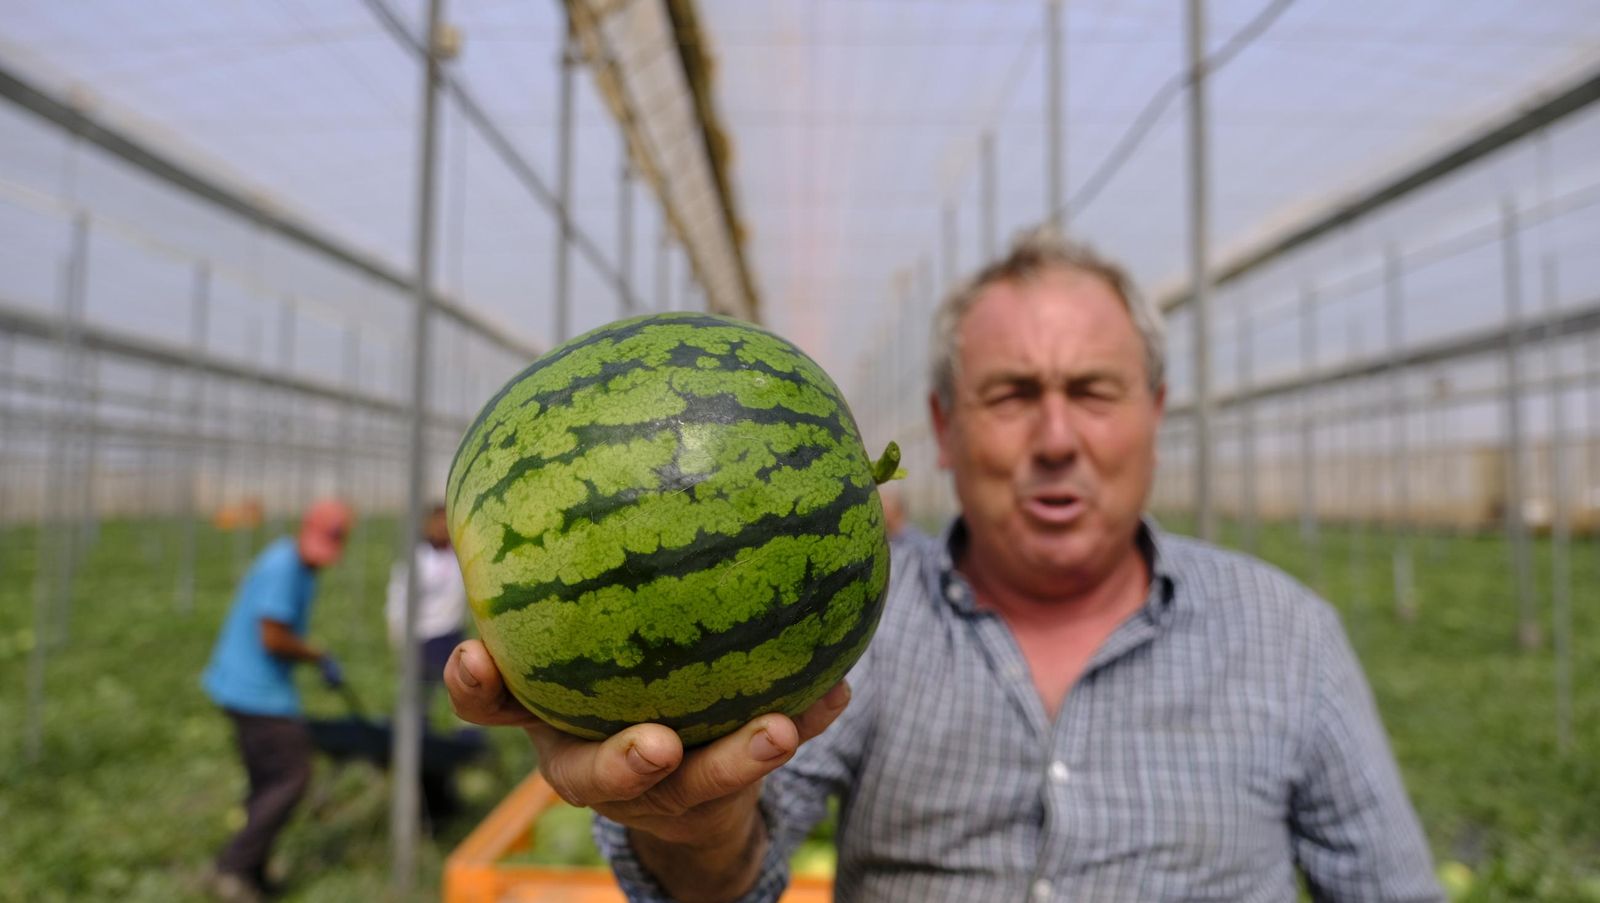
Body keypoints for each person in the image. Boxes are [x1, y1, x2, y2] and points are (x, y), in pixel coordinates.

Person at [444, 230, 1442, 902]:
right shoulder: (843, 624)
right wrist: (688, 824)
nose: (1055, 437)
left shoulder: (1287, 635)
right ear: (942, 429)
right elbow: (729, 882)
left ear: (1154, 413)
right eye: (1010, 394)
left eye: (1093, 391)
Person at [201, 498, 354, 902]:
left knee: (265, 780)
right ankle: (232, 868)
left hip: (246, 686)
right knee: (292, 775)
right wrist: (316, 654)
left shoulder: (302, 567)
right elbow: (271, 636)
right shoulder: (283, 566)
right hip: (253, 691)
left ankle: (252, 868)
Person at [385, 501, 467, 727]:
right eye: (437, 522)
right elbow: (398, 599)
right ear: (427, 525)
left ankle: (465, 735)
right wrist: (398, 635)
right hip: (424, 636)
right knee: (420, 691)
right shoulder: (418, 559)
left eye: (446, 523)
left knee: (463, 691)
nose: (442, 528)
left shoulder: (459, 556)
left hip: (452, 632)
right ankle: (417, 732)